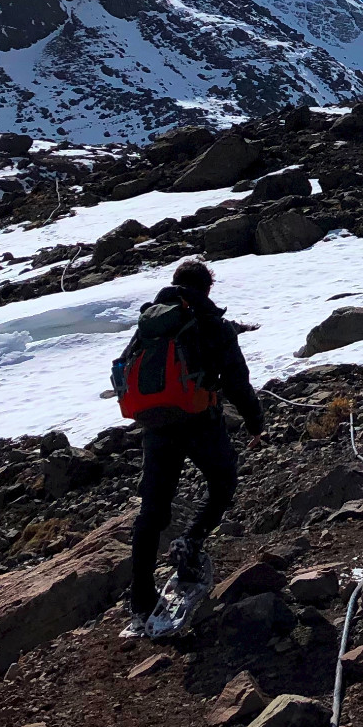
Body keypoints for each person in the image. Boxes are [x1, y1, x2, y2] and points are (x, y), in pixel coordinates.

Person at [123, 259, 264, 636]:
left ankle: (140, 598)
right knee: (222, 481)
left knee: (152, 511)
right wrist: (255, 423)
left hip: (155, 425)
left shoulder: (150, 326)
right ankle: (191, 540)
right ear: (207, 288)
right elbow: (236, 380)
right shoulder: (209, 322)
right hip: (199, 420)